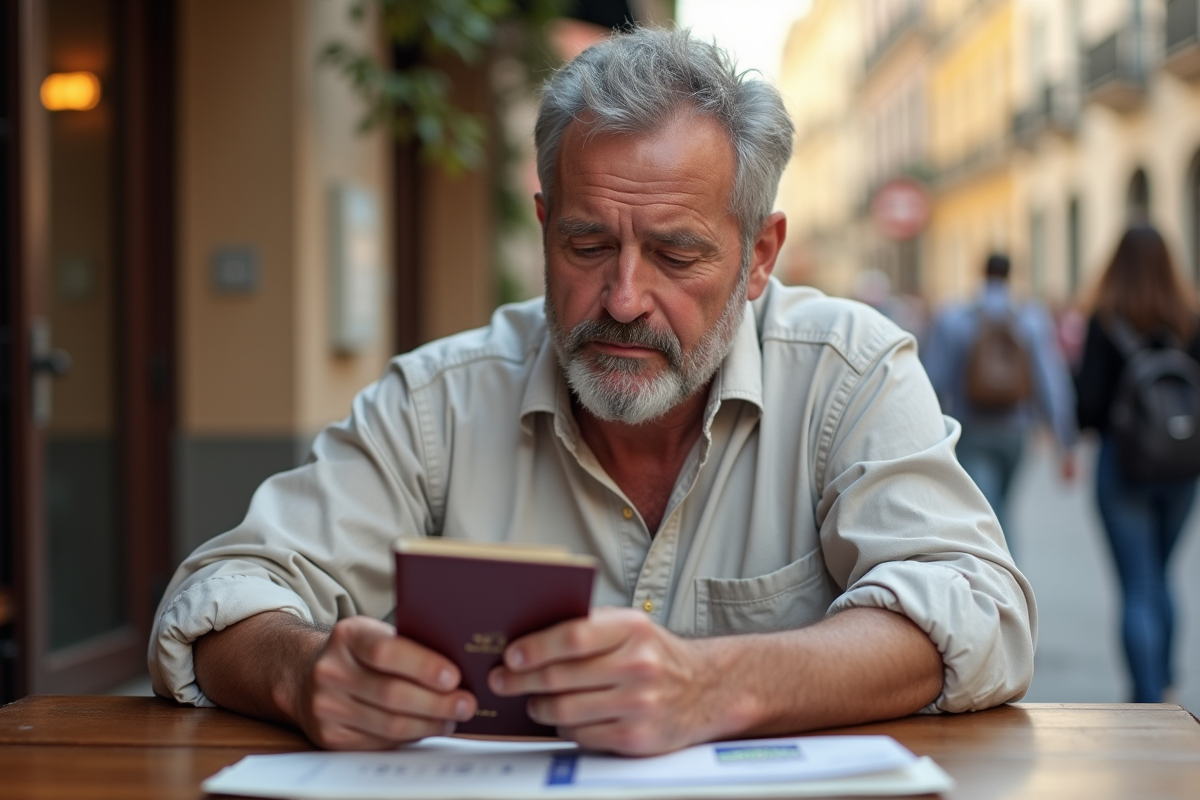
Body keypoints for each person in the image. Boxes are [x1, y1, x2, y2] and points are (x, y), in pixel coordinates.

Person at [149, 28, 1035, 756]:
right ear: (543, 228)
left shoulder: (849, 371)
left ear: (760, 256)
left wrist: (718, 684)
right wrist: (302, 675)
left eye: (677, 255)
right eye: (585, 246)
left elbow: (975, 606)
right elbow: (221, 594)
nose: (622, 299)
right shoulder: (438, 402)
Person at [1075, 225, 1200, 703]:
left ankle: (1147, 699)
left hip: (1123, 465)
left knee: (1138, 583)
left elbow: (1087, 406)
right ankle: (1166, 683)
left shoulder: (1105, 319)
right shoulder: (1190, 317)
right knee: (1162, 577)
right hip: (1183, 465)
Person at [923, 254, 1077, 551]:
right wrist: (1064, 439)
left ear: (982, 273)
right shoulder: (1031, 318)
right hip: (1015, 431)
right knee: (1001, 508)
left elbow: (933, 380)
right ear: (1010, 275)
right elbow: (1051, 383)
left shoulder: (954, 318)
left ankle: (996, 583)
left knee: (985, 510)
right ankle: (1008, 580)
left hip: (970, 429)